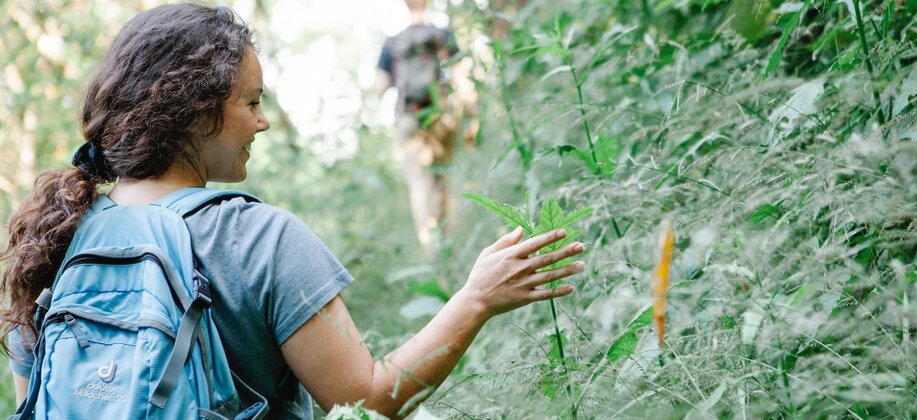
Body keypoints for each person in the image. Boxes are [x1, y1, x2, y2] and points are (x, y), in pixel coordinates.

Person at [0, 4, 584, 419]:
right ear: (197, 113)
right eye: (251, 102)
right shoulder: (260, 238)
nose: (263, 121)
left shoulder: (57, 236)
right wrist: (475, 299)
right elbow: (367, 401)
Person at [375, 0, 476, 251]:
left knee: (419, 182)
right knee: (444, 179)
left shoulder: (393, 42)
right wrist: (472, 116)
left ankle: (430, 249)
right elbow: (461, 79)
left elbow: (379, 86)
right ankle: (450, 243)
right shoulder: (442, 35)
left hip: (409, 118)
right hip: (441, 116)